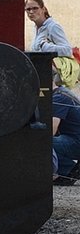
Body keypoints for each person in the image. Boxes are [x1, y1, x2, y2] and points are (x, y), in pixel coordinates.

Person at [51, 56, 80, 184]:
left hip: (76, 142)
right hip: (74, 139)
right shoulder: (62, 92)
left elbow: (51, 130)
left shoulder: (59, 97)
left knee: (42, 143)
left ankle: (67, 170)